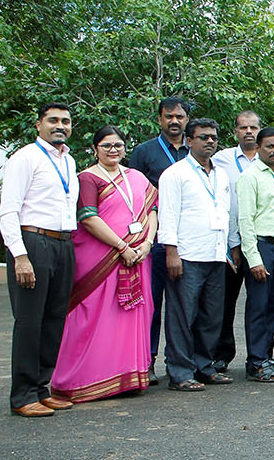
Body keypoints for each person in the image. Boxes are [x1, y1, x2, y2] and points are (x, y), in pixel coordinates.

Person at [53, 126, 157, 402]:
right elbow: (88, 218)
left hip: (138, 256)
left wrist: (146, 244)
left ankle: (128, 376)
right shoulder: (88, 178)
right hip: (101, 259)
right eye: (107, 145)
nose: (114, 150)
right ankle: (83, 379)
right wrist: (121, 246)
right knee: (94, 315)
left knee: (133, 313)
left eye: (119, 145)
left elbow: (152, 210)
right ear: (96, 149)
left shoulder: (136, 177)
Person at [0, 103, 81, 416]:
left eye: (66, 121)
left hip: (63, 243)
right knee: (30, 321)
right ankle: (22, 396)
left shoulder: (69, 161)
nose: (60, 125)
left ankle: (42, 388)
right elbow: (8, 211)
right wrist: (20, 255)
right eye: (53, 120)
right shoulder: (25, 158)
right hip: (33, 242)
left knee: (54, 319)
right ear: (38, 125)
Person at [158, 117, 234, 392]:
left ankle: (204, 366)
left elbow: (223, 214)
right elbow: (167, 215)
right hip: (187, 255)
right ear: (189, 141)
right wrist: (171, 252)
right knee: (182, 316)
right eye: (203, 137)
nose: (210, 141)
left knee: (211, 316)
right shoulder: (175, 174)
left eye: (213, 137)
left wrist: (226, 249)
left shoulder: (220, 174)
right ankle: (180, 371)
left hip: (214, 254)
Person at [127, 96, 189, 384]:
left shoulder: (195, 151)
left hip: (186, 240)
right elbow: (133, 197)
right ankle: (145, 362)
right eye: (168, 116)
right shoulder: (144, 152)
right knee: (150, 304)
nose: (174, 121)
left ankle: (179, 362)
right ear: (160, 119)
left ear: (186, 119)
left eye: (179, 116)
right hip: (153, 241)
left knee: (182, 306)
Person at [233, 127, 274, 383]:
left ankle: (266, 357)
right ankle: (256, 361)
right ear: (257, 148)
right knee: (258, 307)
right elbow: (245, 220)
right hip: (261, 248)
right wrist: (254, 258)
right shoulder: (250, 177)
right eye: (270, 146)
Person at [211, 109, 261, 376]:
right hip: (230, 243)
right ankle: (221, 355)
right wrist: (232, 244)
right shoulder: (221, 160)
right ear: (235, 132)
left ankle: (260, 356)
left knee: (259, 303)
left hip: (260, 242)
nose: (249, 132)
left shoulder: (269, 159)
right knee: (225, 302)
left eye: (253, 127)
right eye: (243, 128)